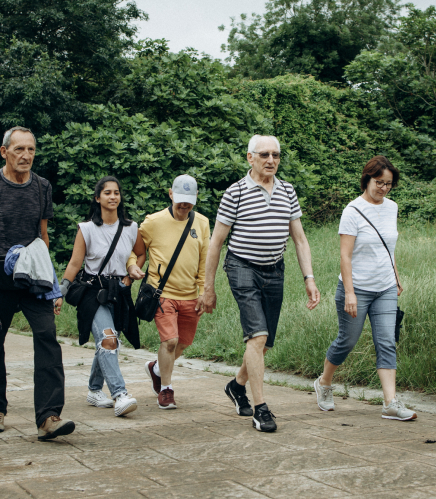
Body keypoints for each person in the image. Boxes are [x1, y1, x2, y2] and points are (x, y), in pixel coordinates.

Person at [198, 135, 321, 433]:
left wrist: (310, 278)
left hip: (274, 270)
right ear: (250, 158)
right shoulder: (235, 192)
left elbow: (300, 239)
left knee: (264, 343)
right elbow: (216, 243)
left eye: (276, 155)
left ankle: (237, 386)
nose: (271, 160)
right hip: (242, 267)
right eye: (264, 154)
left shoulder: (288, 191)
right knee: (257, 336)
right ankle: (261, 408)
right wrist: (208, 288)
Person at [0, 126, 73, 440]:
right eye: (19, 150)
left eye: (31, 150)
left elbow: (43, 237)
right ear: (4, 152)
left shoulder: (42, 187)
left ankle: (49, 416)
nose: (25, 156)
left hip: (33, 278)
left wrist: (51, 283)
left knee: (47, 336)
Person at [312, 155, 416, 421]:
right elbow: (345, 256)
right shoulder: (352, 211)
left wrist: (396, 275)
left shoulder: (392, 208)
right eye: (379, 182)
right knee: (347, 341)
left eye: (389, 184)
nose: (383, 188)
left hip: (385, 288)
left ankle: (390, 403)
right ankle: (324, 382)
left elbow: (388, 246)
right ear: (367, 179)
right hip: (356, 289)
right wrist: (350, 293)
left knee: (386, 342)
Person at [59, 176, 145, 417]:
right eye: (107, 193)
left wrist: (129, 276)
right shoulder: (86, 229)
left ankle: (95, 390)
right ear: (98, 198)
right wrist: (60, 292)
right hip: (92, 292)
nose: (113, 197)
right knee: (109, 338)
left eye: (116, 192)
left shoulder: (131, 227)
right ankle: (120, 394)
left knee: (109, 339)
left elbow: (140, 254)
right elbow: (75, 263)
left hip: (118, 292)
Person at [129, 175, 210, 409]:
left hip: (190, 295)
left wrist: (204, 291)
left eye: (189, 201)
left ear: (195, 199)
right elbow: (134, 250)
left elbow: (205, 261)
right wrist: (131, 265)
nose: (184, 206)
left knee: (183, 343)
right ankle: (165, 389)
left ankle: (155, 368)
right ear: (170, 194)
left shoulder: (202, 223)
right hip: (161, 293)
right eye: (180, 200)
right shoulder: (153, 222)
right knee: (170, 341)